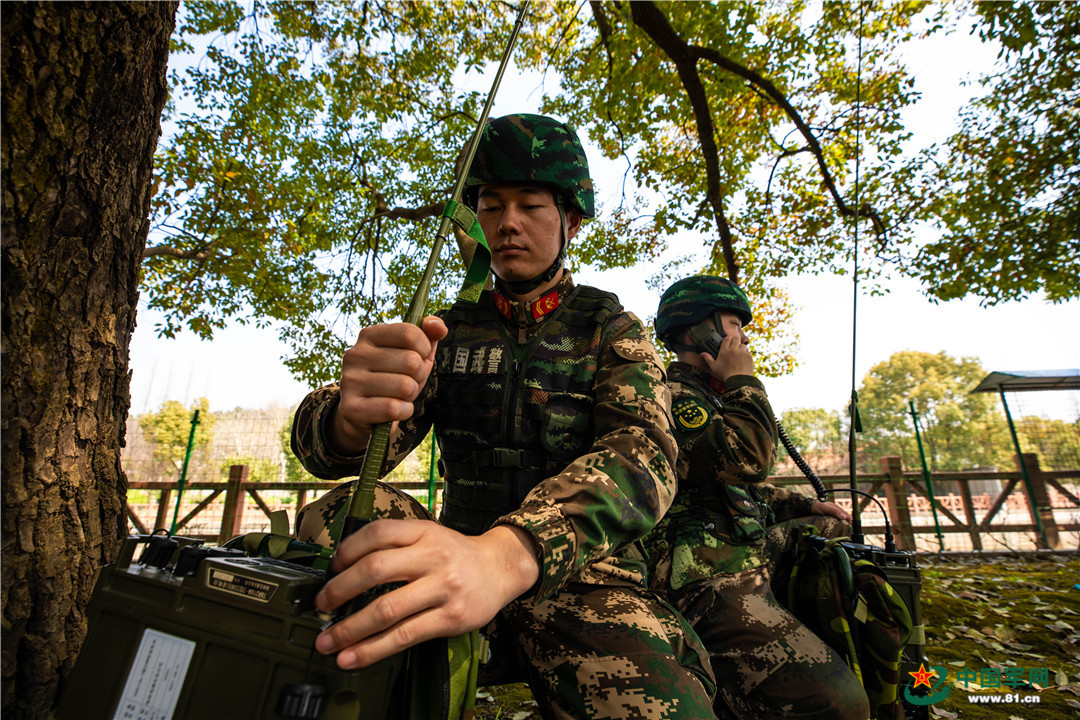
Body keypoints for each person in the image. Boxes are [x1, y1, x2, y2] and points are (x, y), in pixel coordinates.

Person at [290, 114, 716, 719]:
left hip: (585, 582)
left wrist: (510, 553)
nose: (508, 222)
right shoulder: (445, 332)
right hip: (448, 562)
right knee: (344, 518)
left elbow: (643, 457)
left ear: (569, 220)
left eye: (530, 205)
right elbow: (328, 455)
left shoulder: (611, 328)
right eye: (492, 205)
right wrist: (348, 423)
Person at [645, 275, 870, 720]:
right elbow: (747, 460)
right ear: (698, 329)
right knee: (839, 706)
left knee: (833, 531)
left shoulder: (713, 396)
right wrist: (744, 380)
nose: (743, 336)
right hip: (702, 571)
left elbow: (741, 486)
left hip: (739, 546)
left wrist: (806, 505)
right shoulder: (672, 398)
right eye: (732, 324)